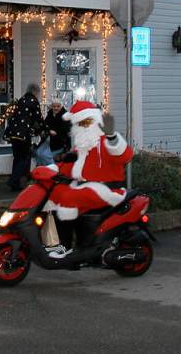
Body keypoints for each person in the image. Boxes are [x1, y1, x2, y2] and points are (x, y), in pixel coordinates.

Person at [34, 101, 133, 259]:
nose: (83, 127)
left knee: (68, 197)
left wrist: (112, 136)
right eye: (79, 124)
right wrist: (48, 170)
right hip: (85, 186)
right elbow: (69, 167)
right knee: (54, 193)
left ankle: (65, 246)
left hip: (107, 188)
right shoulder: (82, 147)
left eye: (86, 122)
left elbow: (125, 155)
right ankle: (54, 241)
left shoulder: (106, 141)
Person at [4, 83, 43, 191]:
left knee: (17, 157)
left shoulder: (22, 100)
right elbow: (38, 118)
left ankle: (17, 183)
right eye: (38, 93)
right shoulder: (33, 101)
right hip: (23, 134)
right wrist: (42, 129)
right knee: (23, 158)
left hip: (13, 133)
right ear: (35, 91)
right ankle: (13, 180)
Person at [34, 101, 71, 166]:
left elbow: (66, 131)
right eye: (54, 106)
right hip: (49, 140)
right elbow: (45, 125)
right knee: (38, 153)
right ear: (51, 107)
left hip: (60, 142)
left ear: (61, 106)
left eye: (58, 106)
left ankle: (53, 170)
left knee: (45, 155)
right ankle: (41, 169)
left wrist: (52, 132)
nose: (56, 108)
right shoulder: (50, 114)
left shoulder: (65, 116)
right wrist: (47, 131)